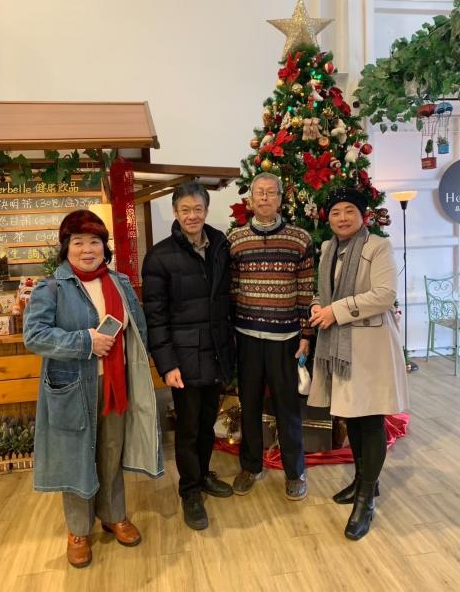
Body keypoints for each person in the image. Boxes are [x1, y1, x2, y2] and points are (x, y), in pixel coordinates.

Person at [23, 210, 163, 568]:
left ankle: (114, 515)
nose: (87, 250)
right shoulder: (52, 288)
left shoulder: (119, 282)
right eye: (79, 242)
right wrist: (85, 341)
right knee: (77, 456)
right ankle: (78, 530)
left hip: (116, 383)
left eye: (95, 242)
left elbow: (138, 328)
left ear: (104, 247)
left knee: (111, 452)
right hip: (73, 387)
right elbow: (35, 336)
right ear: (66, 247)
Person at [307, 187, 408, 540]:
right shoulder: (328, 248)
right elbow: (324, 292)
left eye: (349, 211)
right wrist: (317, 306)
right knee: (351, 416)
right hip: (341, 347)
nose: (342, 218)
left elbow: (384, 295)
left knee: (370, 420)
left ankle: (365, 500)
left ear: (362, 215)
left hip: (370, 347)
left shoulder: (377, 246)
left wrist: (335, 311)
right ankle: (365, 481)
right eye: (336, 212)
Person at [141, 182, 234, 531]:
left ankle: (204, 474)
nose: (192, 215)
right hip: (184, 358)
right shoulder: (160, 256)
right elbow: (155, 317)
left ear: (206, 211)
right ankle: (190, 490)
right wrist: (167, 364)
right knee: (188, 428)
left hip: (217, 352)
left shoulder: (220, 246)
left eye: (198, 209)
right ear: (176, 213)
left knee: (208, 422)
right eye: (185, 210)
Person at [229, 172, 314, 500]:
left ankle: (295, 471)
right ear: (250, 200)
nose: (264, 198)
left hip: (286, 339)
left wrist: (306, 334)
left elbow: (305, 291)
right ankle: (251, 466)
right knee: (249, 404)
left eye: (270, 192)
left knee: (287, 407)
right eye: (259, 193)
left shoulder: (299, 239)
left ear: (280, 198)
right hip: (247, 337)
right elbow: (232, 289)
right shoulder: (236, 239)